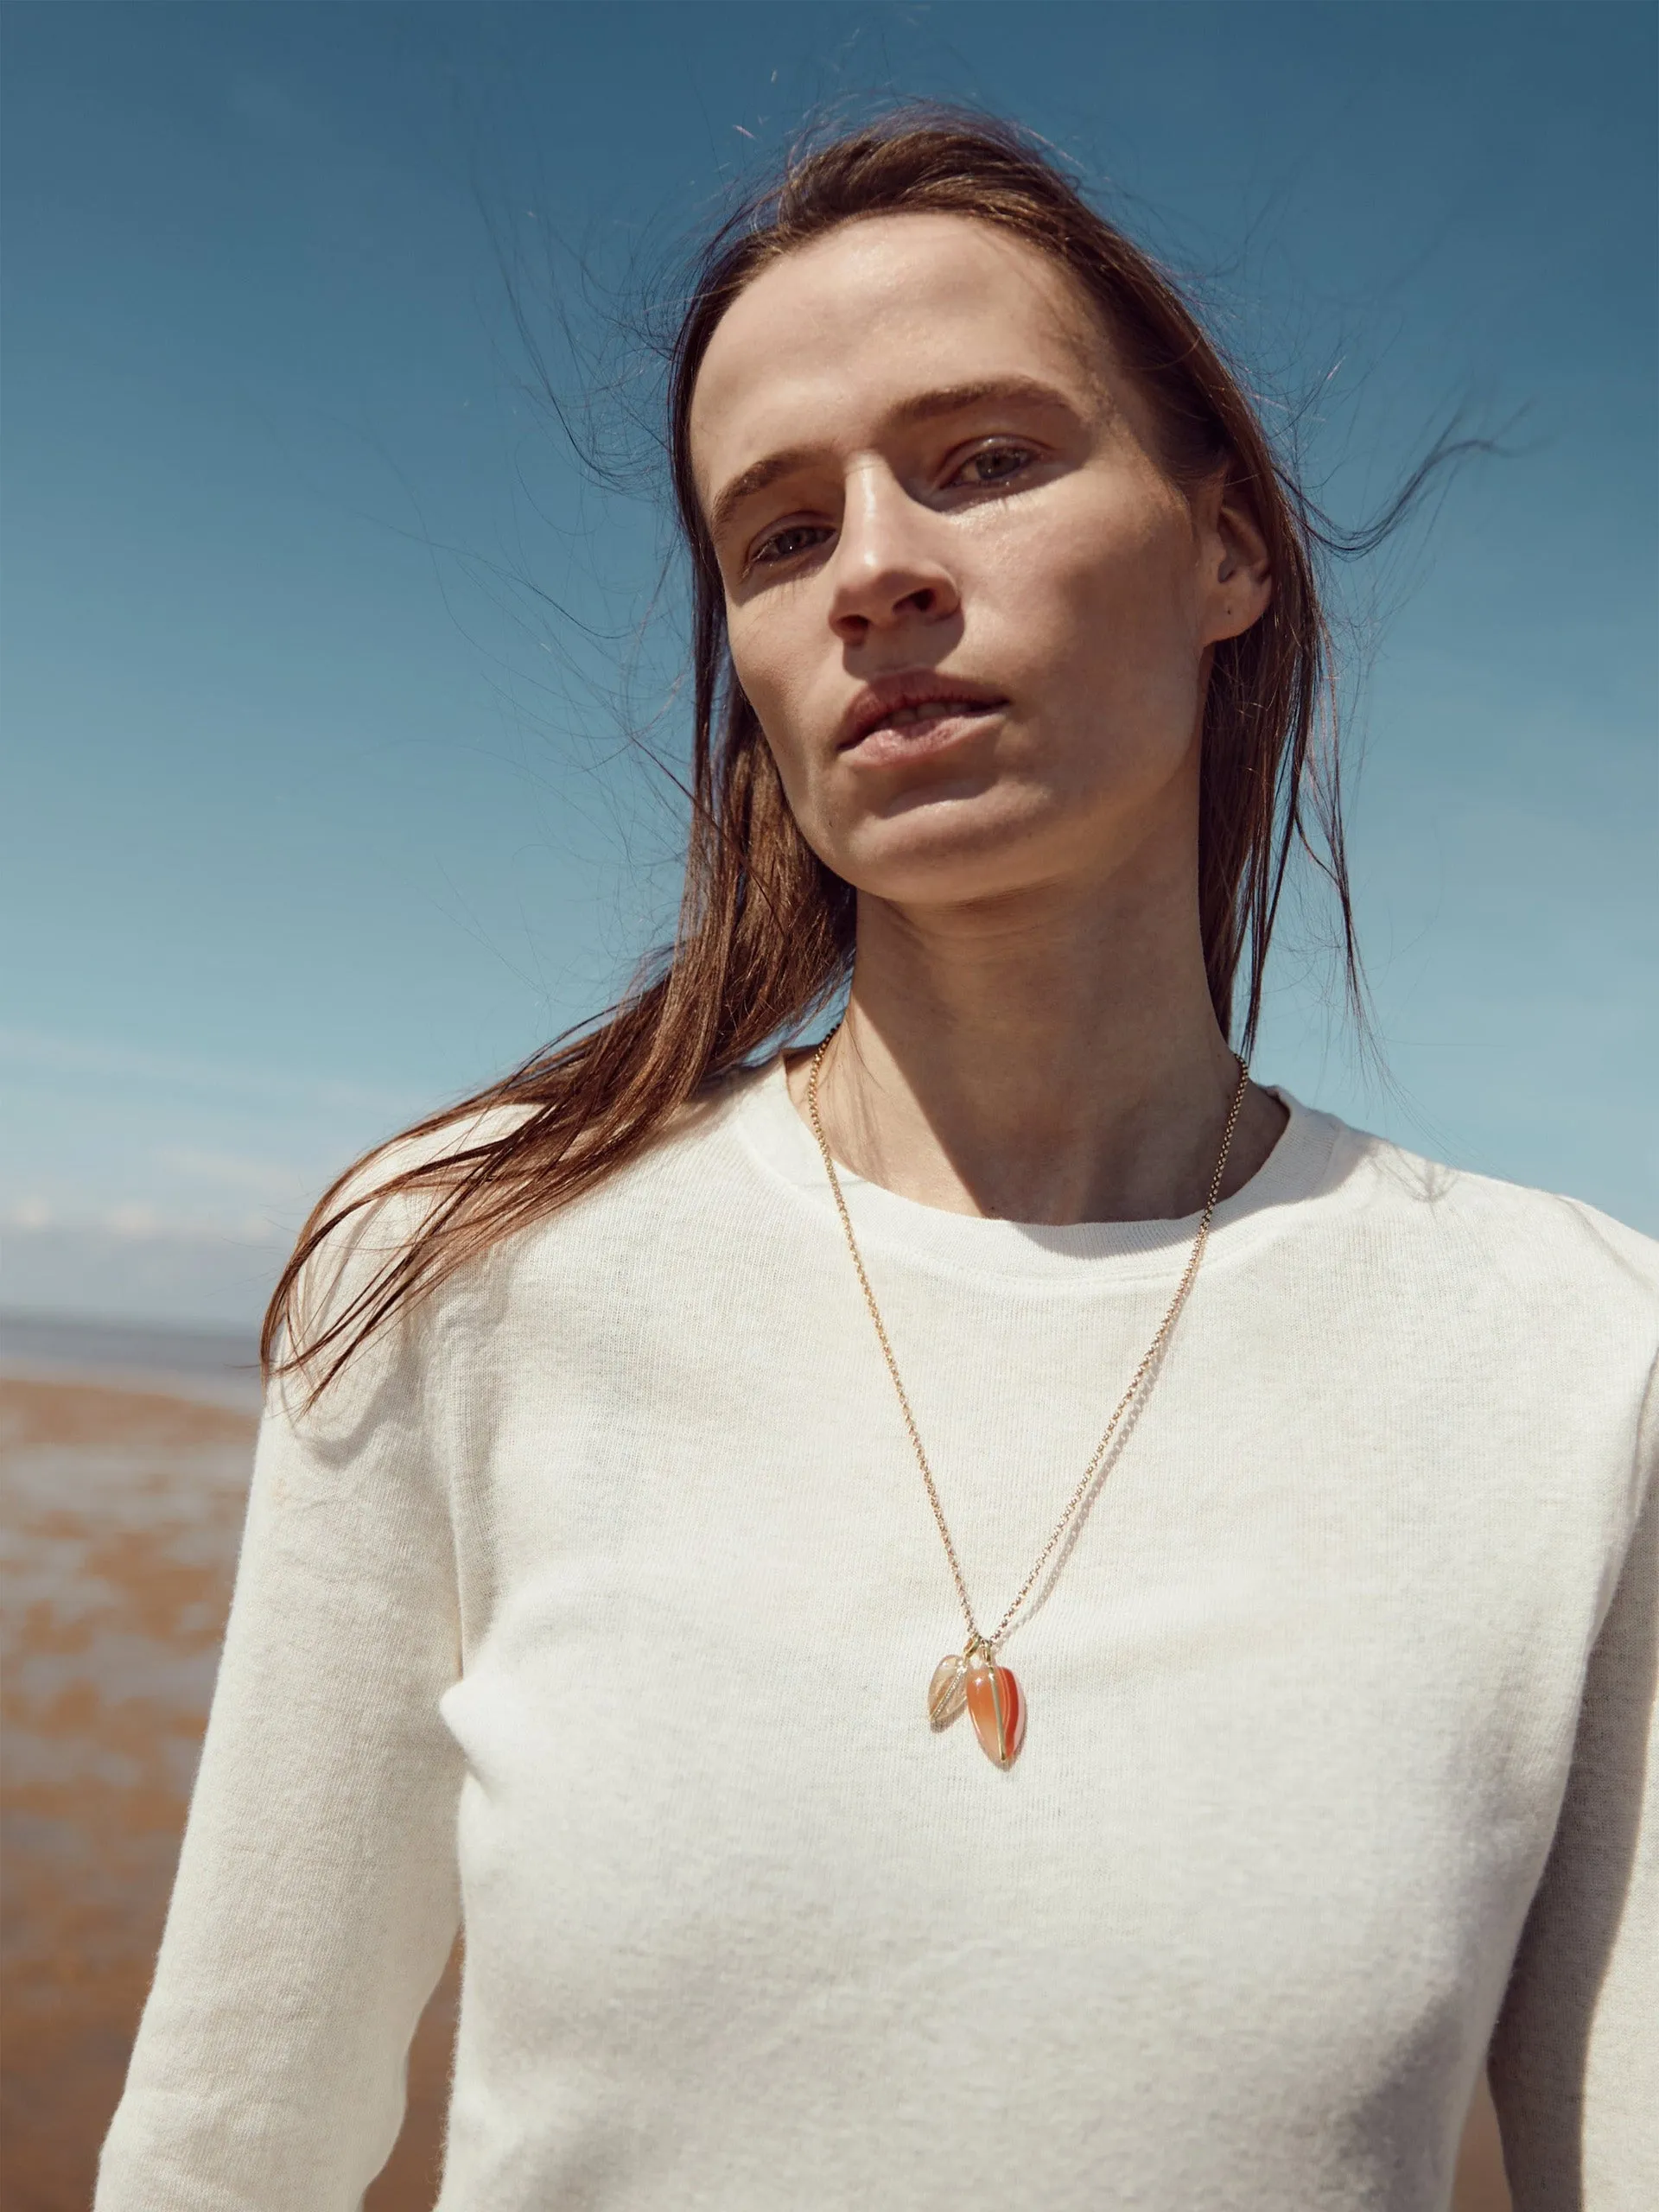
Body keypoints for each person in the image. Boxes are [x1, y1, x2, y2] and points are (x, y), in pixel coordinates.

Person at [97, 109, 1655, 2211]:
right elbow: (227, 2152)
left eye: (989, 459)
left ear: (1227, 550)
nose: (878, 571)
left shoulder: (1581, 1357)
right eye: (778, 532)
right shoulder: (463, 1265)